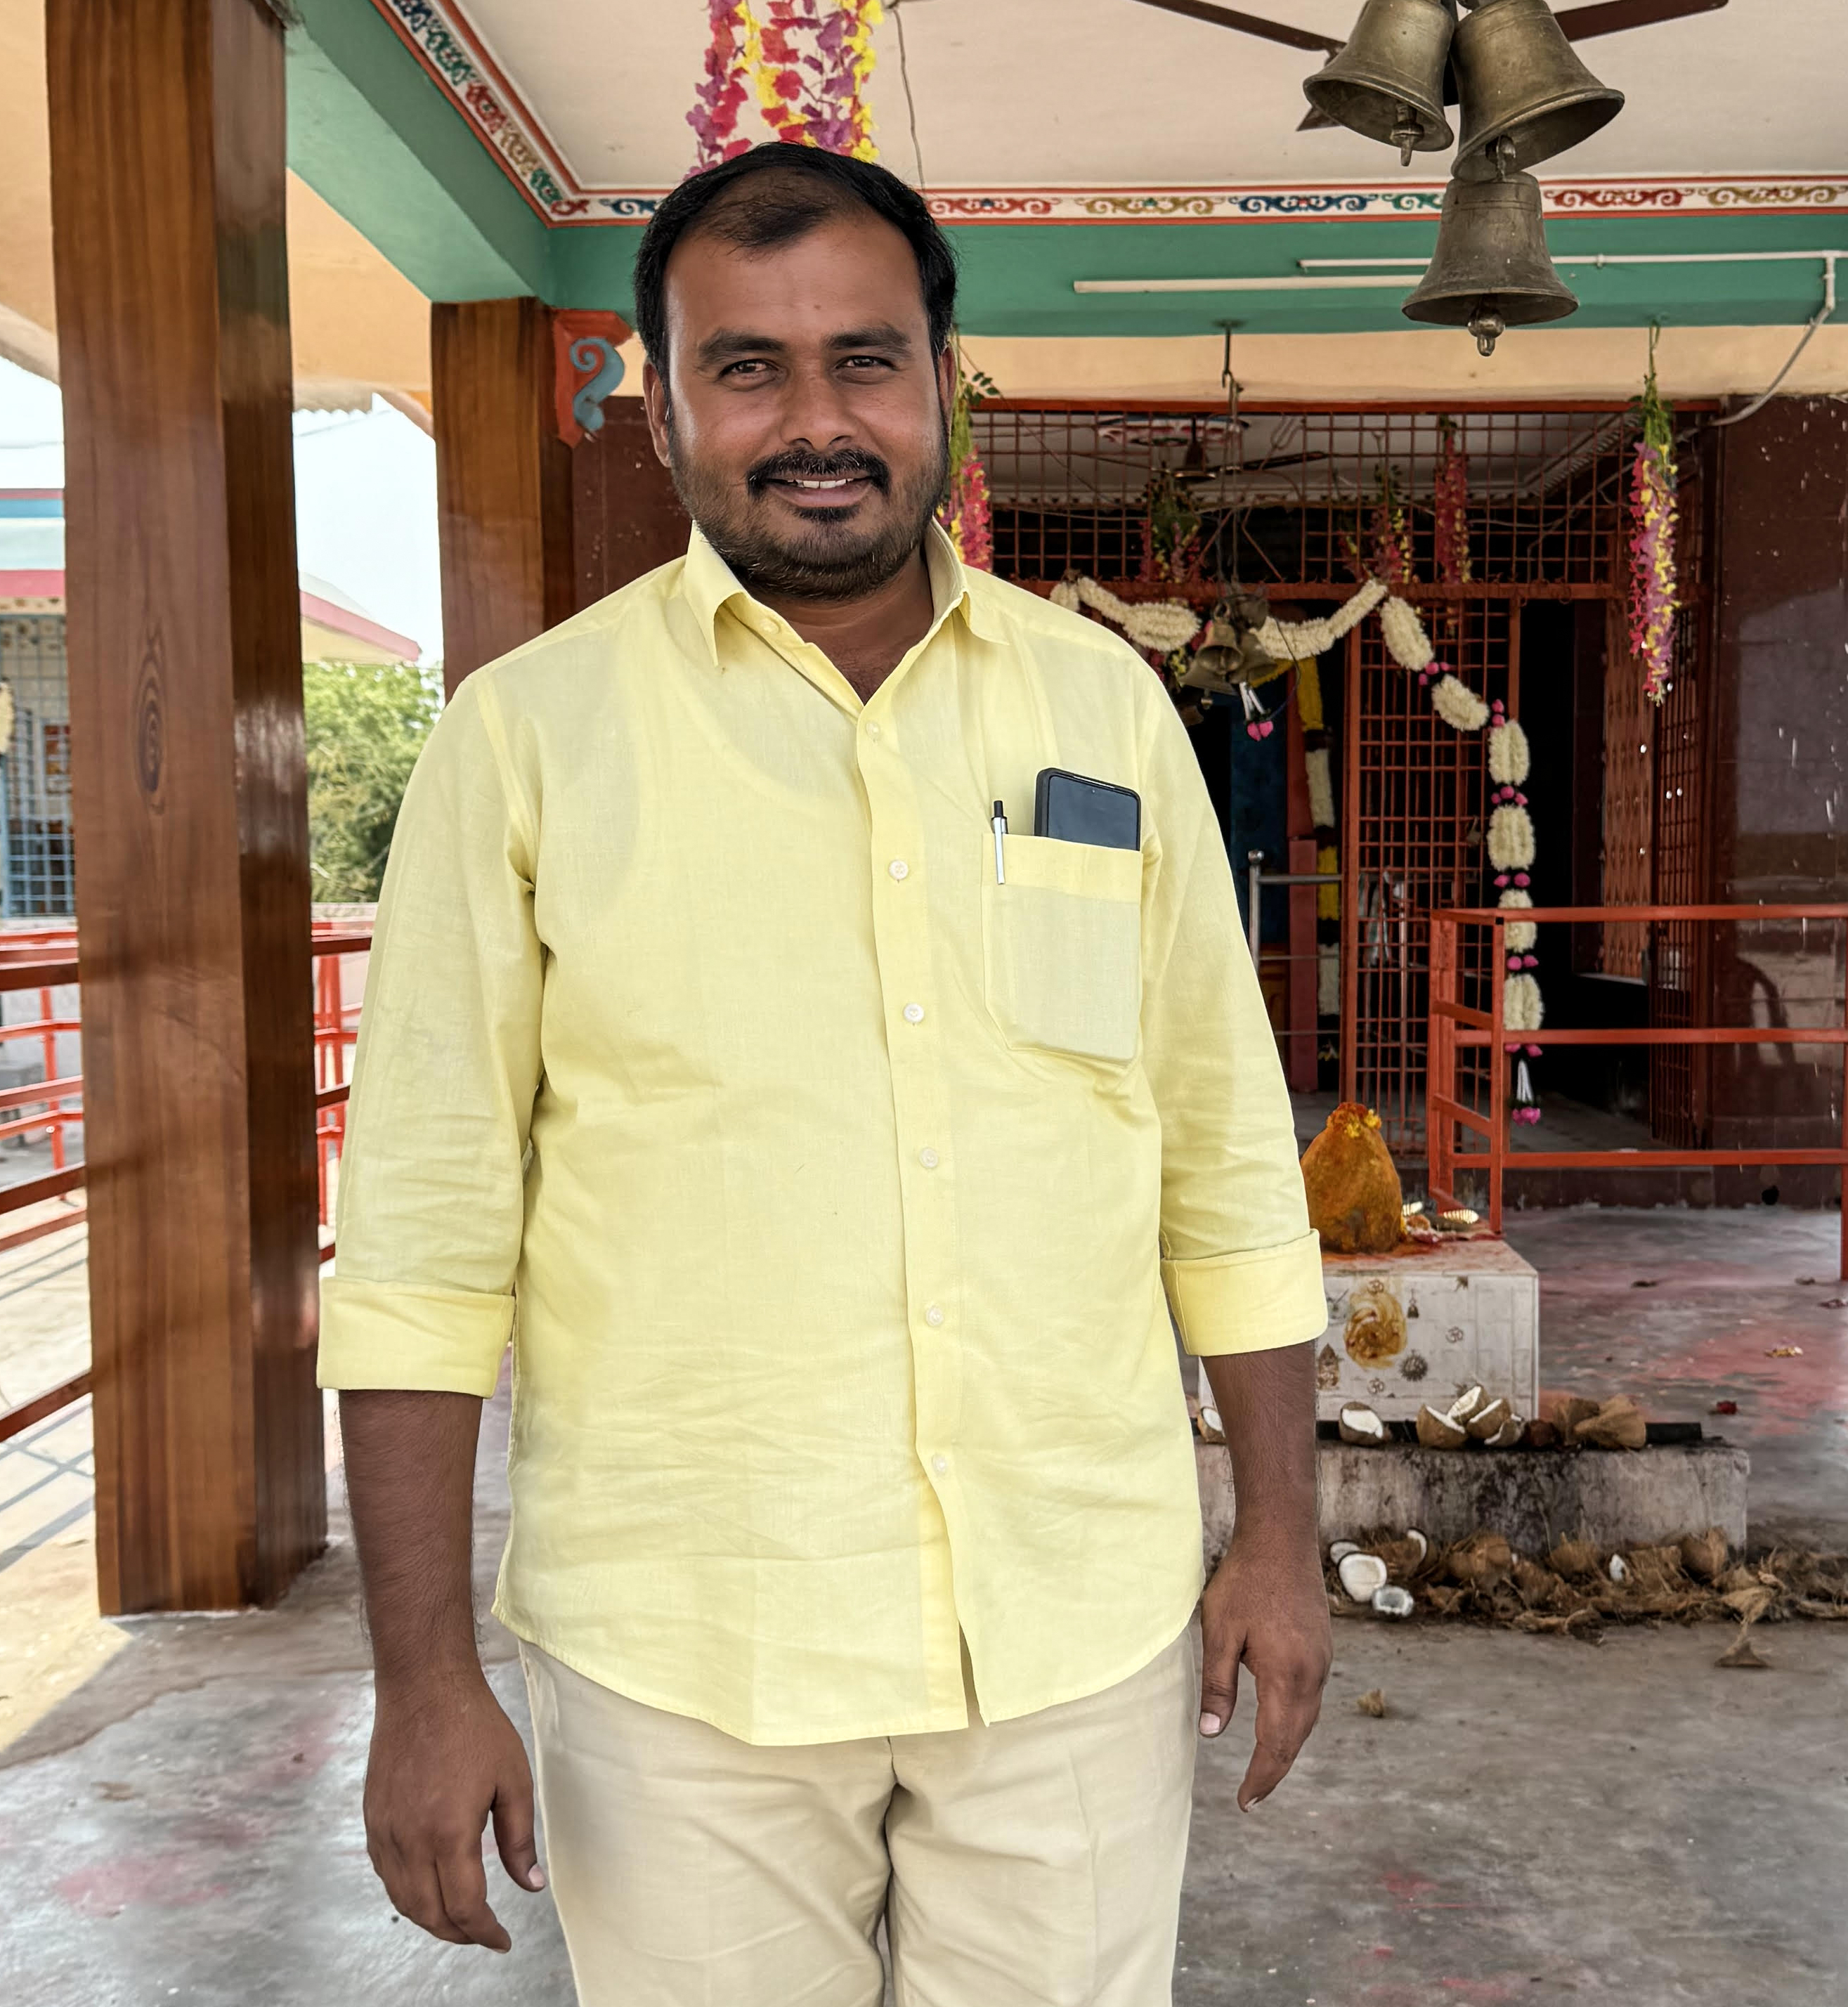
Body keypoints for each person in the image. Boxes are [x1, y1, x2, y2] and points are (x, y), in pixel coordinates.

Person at [318, 142, 1328, 2006]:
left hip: (1070, 1618)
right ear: (662, 409)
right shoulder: (526, 742)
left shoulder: (1101, 710)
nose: (815, 421)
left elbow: (1218, 1155)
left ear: (943, 384)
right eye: (746, 367)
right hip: (686, 1647)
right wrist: (424, 1675)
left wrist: (1279, 1534)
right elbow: (422, 1245)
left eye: (865, 360)